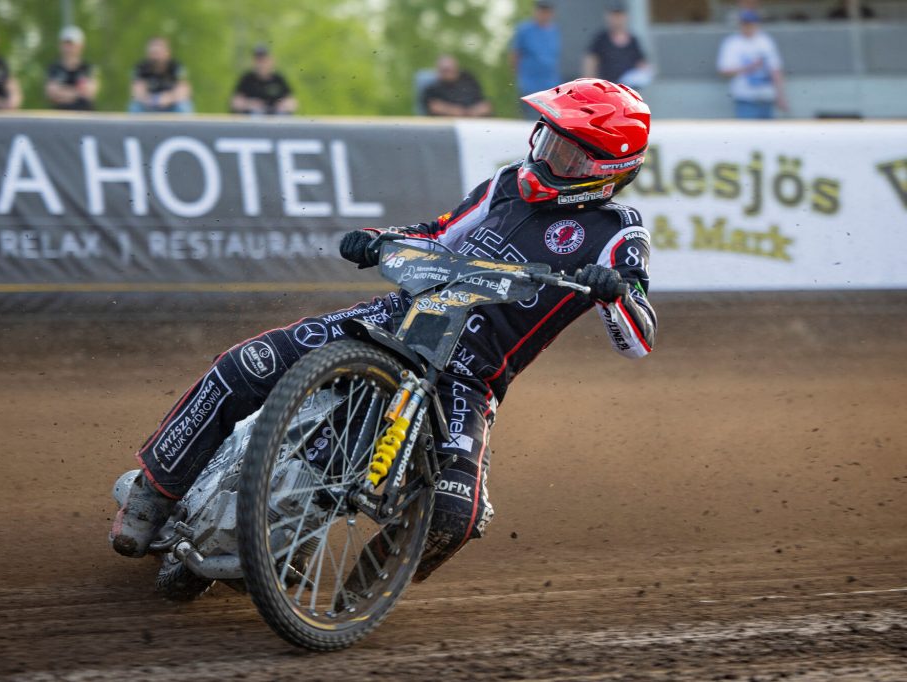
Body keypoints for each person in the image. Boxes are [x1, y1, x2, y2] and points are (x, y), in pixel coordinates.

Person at [110, 78, 658, 583]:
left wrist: (613, 290)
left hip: (466, 377)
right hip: (398, 321)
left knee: (453, 517)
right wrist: (379, 238)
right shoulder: (506, 184)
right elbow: (438, 233)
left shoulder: (617, 232)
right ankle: (152, 495)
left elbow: (637, 340)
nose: (547, 156)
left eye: (566, 150)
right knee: (245, 364)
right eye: (547, 139)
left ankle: (358, 599)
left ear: (606, 169)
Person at [716, 10, 788, 119]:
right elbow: (724, 71)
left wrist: (780, 97)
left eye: (751, 24)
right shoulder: (732, 43)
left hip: (766, 98)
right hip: (745, 99)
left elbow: (776, 70)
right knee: (746, 134)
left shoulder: (765, 41)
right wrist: (750, 67)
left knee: (768, 134)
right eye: (745, 24)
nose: (748, 27)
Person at [510, 0, 560, 118]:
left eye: (547, 11)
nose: (544, 14)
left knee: (550, 119)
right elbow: (514, 55)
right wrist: (520, 78)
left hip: (550, 86)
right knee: (531, 120)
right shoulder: (524, 30)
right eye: (541, 10)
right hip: (530, 86)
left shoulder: (554, 30)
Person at [582, 4, 651, 89]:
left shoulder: (633, 40)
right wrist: (590, 83)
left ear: (626, 17)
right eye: (614, 16)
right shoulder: (601, 39)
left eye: (619, 16)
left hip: (627, 89)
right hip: (607, 88)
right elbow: (590, 61)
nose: (617, 19)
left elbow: (641, 62)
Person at [129, 37, 193, 113]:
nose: (156, 57)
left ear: (167, 52)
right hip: (148, 106)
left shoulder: (176, 67)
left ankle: (185, 125)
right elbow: (137, 91)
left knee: (184, 106)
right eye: (153, 52)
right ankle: (134, 125)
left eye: (159, 52)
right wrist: (150, 100)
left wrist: (168, 98)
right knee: (135, 106)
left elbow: (184, 90)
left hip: (171, 105)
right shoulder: (141, 68)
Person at [230, 44, 297, 115]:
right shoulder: (246, 79)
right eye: (258, 60)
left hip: (276, 117)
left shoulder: (279, 79)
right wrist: (249, 104)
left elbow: (293, 102)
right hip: (253, 118)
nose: (261, 63)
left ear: (271, 60)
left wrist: (283, 105)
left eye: (263, 59)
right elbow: (235, 103)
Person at [45, 26, 98, 111]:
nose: (68, 48)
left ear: (80, 46)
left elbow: (90, 93)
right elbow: (51, 93)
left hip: (85, 116)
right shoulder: (54, 68)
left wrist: (62, 93)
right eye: (66, 44)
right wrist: (78, 93)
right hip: (60, 117)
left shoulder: (87, 68)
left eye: (71, 44)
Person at [421, 55, 492, 117]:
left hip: (475, 120)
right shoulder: (433, 87)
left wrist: (473, 111)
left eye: (451, 69)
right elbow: (433, 107)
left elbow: (485, 104)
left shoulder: (469, 80)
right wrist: (452, 111)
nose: (449, 73)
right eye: (445, 70)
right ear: (438, 71)